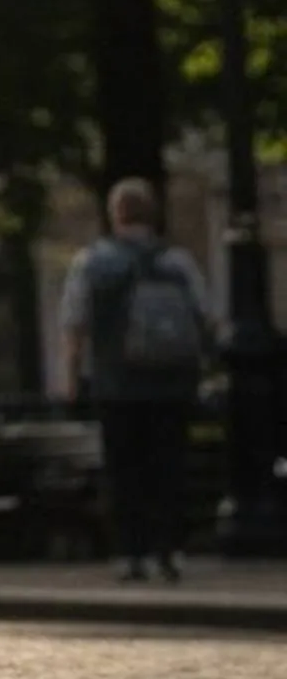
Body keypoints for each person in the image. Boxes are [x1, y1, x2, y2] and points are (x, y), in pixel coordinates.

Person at [60, 177, 212, 583]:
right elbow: (204, 314)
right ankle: (171, 550)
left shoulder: (92, 261)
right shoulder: (176, 261)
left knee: (124, 469)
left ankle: (131, 551)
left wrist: (73, 377)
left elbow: (74, 324)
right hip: (171, 381)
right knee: (169, 465)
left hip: (117, 382)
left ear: (115, 214)